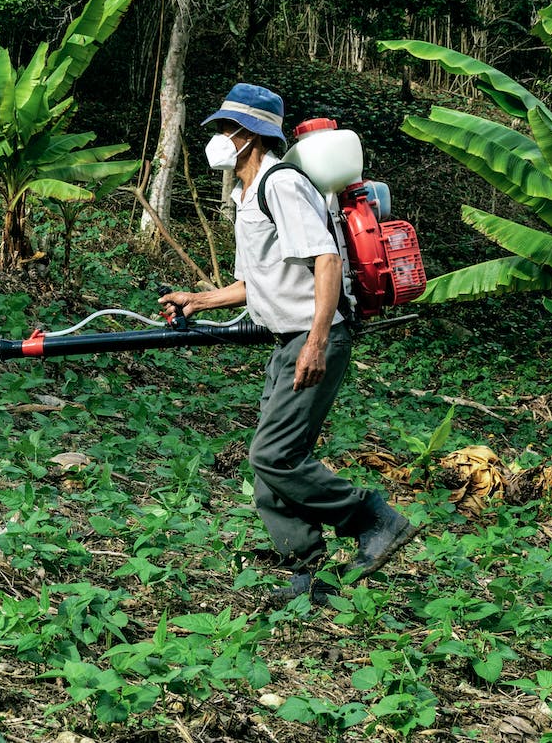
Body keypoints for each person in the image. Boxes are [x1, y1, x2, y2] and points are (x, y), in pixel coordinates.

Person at [158, 83, 417, 604]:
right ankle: (306, 575)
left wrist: (316, 342)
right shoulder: (244, 195)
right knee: (271, 462)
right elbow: (257, 281)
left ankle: (374, 517)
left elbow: (326, 260)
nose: (217, 138)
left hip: (315, 335)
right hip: (286, 339)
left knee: (273, 454)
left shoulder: (281, 185)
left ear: (251, 136)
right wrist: (199, 300)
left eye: (225, 130)